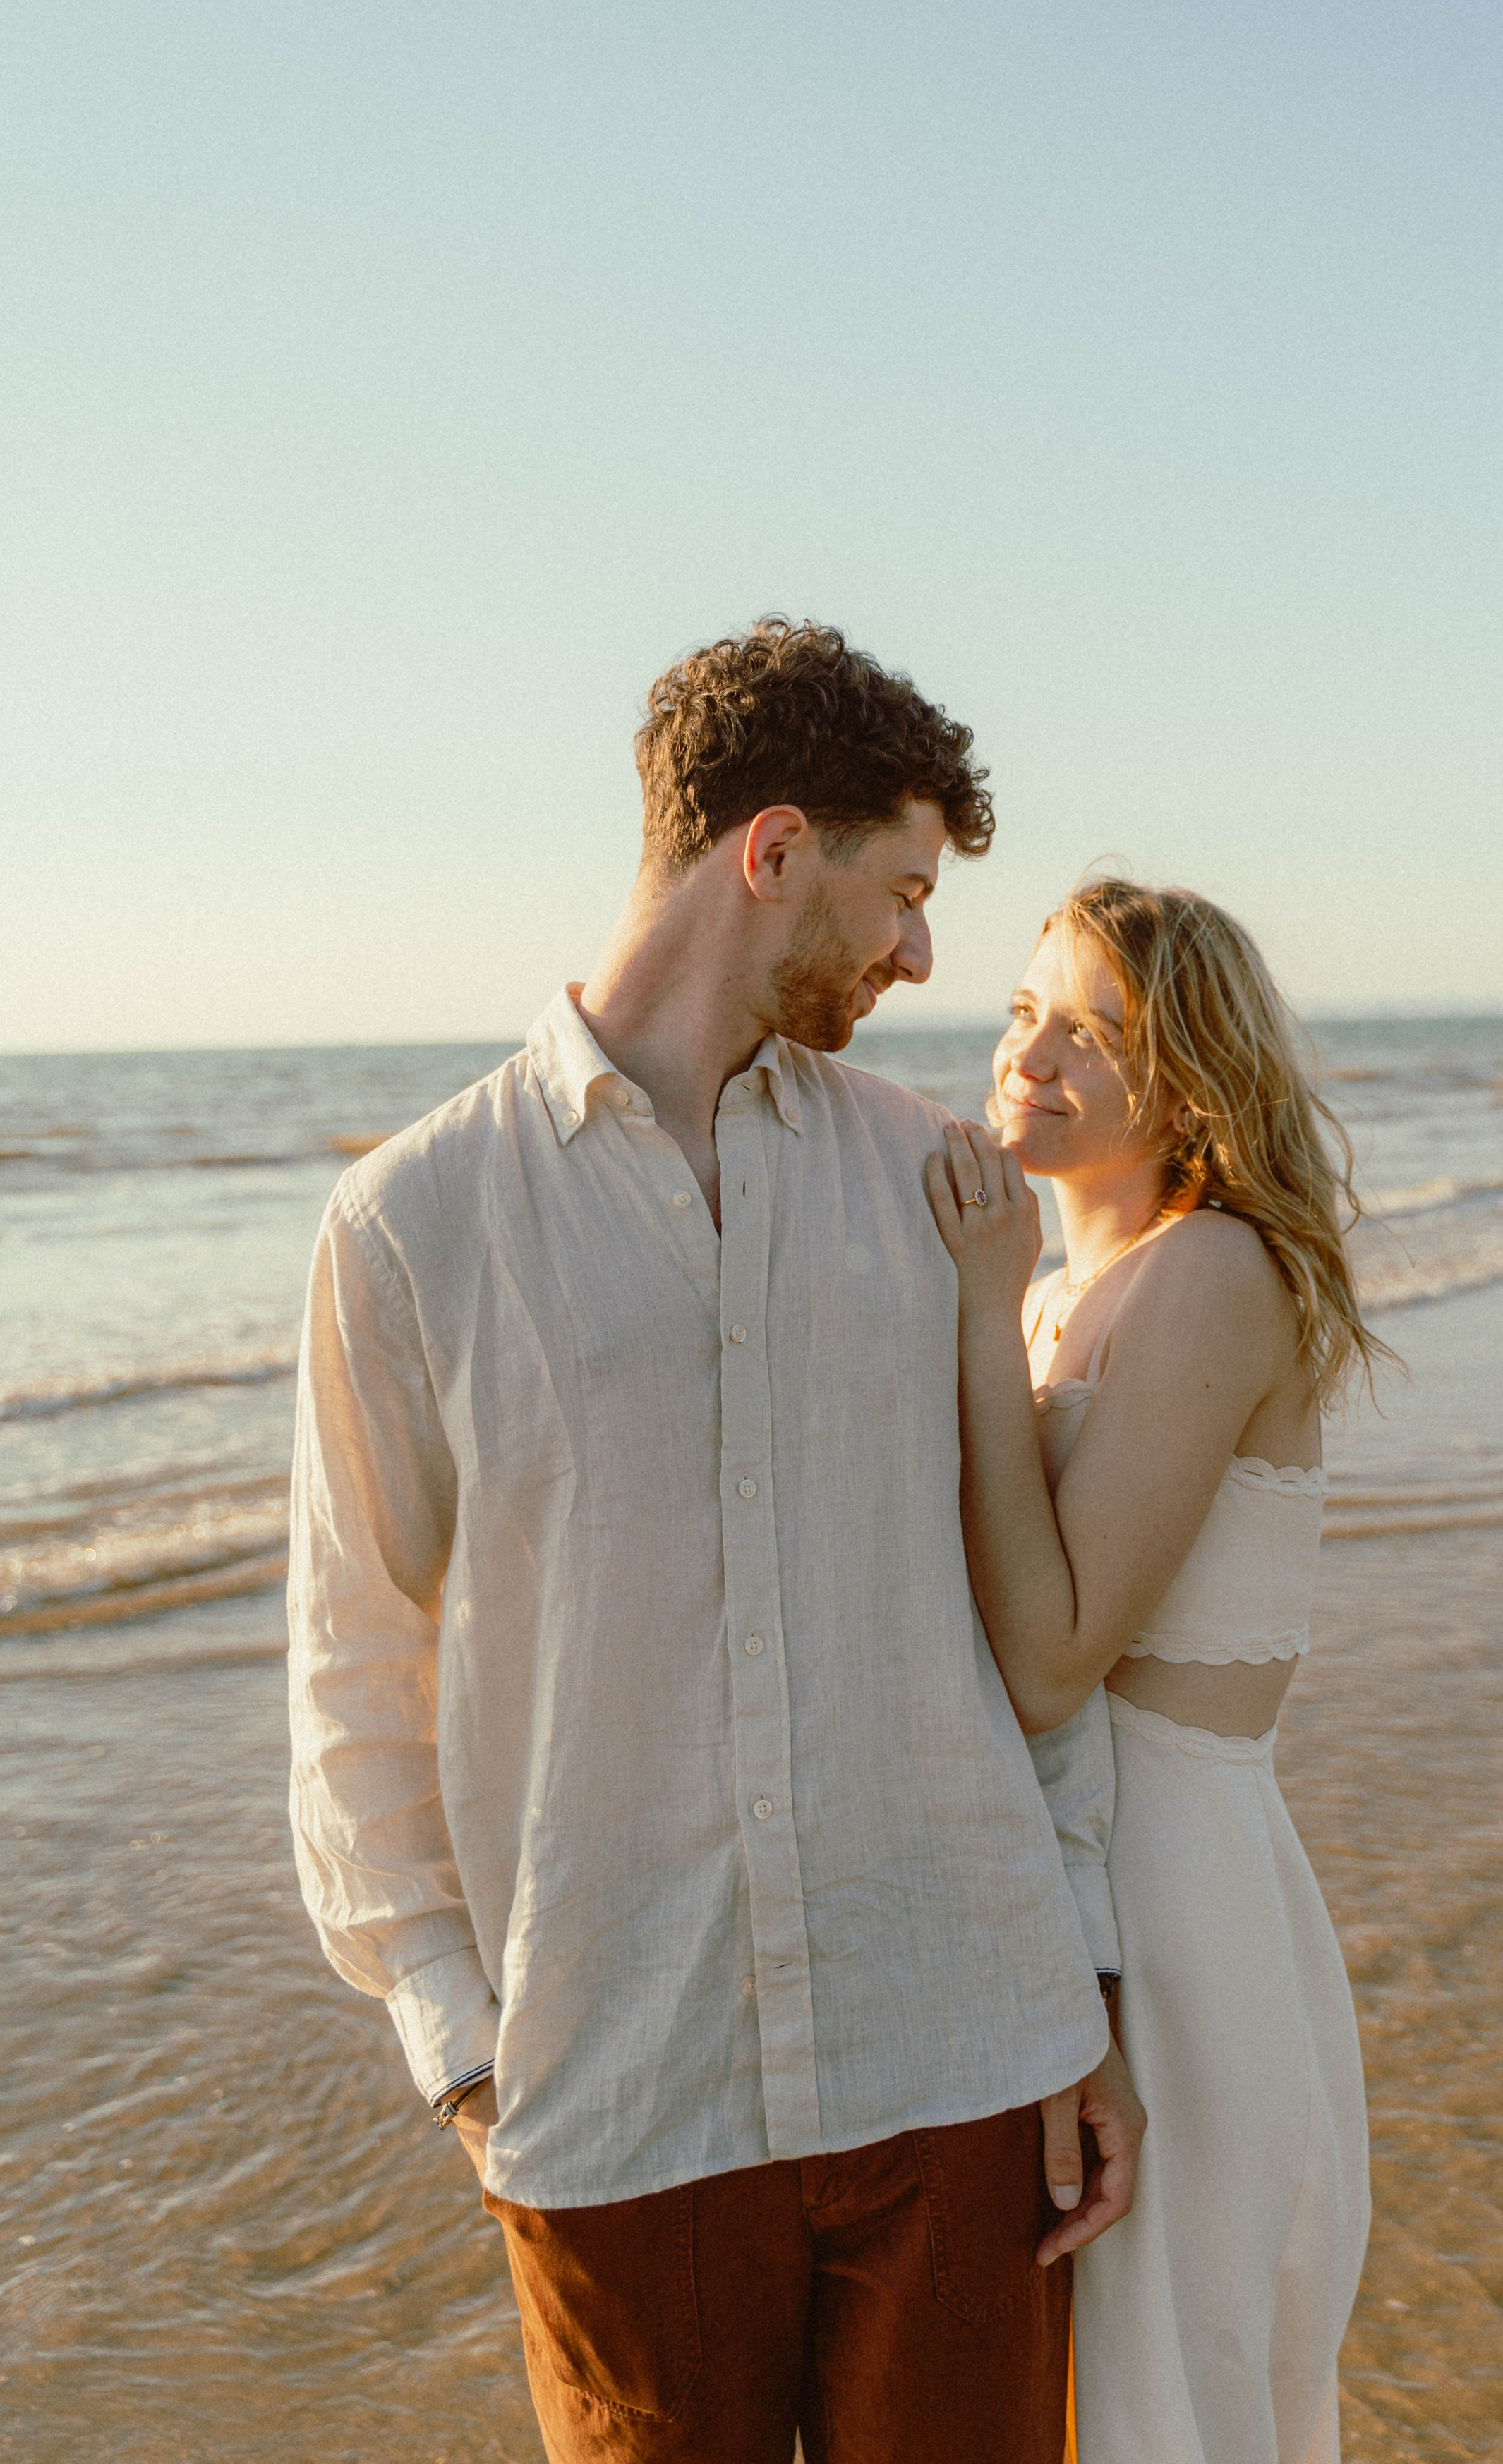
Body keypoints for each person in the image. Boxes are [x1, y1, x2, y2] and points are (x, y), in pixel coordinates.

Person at [286, 620, 1145, 2464]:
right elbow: (355, 1669)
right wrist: (457, 2040)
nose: (924, 953)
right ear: (771, 852)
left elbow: (1020, 1623)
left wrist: (1083, 1987)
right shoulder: (410, 1225)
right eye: (903, 893)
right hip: (621, 2102)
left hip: (962, 2057)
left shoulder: (936, 1179)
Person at [926, 878, 1389, 2464]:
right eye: (1021, 1011)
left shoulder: (1206, 1276)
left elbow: (1053, 1662)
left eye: (1091, 1032)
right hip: (1082, 1870)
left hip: (1177, 1899)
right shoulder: (1073, 1288)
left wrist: (979, 1326)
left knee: (1164, 2393)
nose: (1028, 1055)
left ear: (1186, 1083)